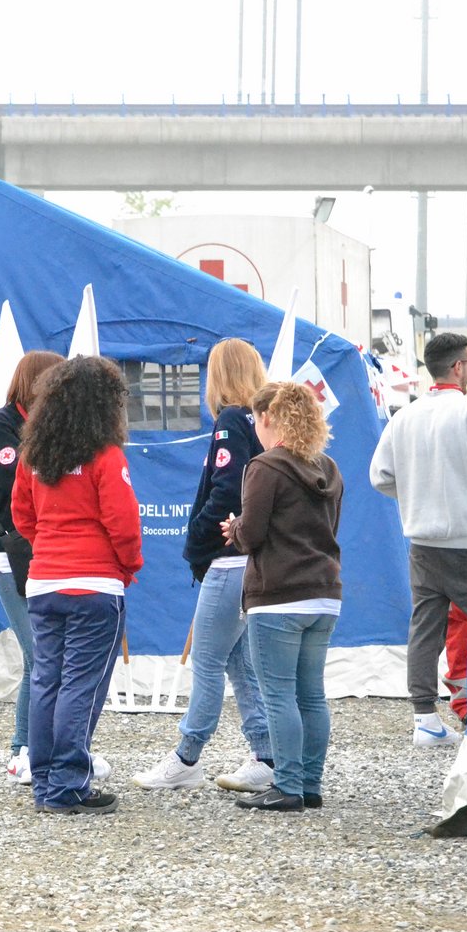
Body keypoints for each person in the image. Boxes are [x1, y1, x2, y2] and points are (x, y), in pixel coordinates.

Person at [135, 338, 274, 794]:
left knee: (209, 660)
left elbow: (227, 487)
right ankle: (266, 753)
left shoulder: (232, 420)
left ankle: (187, 756)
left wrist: (197, 536)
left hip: (228, 561)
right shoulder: (261, 422)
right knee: (239, 662)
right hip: (252, 560)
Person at [11, 356, 143, 816]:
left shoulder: (34, 456)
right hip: (94, 583)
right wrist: (127, 567)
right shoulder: (107, 458)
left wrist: (50, 546)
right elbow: (123, 525)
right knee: (81, 687)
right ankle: (69, 785)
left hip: (44, 580)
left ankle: (45, 782)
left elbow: (22, 517)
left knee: (47, 680)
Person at [368, 331, 467, 746]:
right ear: (459, 368)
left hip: (423, 542)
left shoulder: (404, 417)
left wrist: (413, 494)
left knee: (425, 629)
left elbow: (380, 477)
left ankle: (425, 718)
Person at [221, 381, 343, 812]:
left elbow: (252, 535)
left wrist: (234, 528)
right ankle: (310, 785)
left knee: (278, 694)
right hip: (324, 594)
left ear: (268, 418)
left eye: (256, 419)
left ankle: (288, 784)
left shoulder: (264, 466)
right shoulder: (328, 468)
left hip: (277, 597)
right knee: (311, 694)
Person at [0, 349, 63, 787]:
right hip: (12, 554)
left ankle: (46, 747)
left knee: (52, 655)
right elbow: (18, 483)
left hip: (51, 552)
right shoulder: (0, 424)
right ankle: (23, 749)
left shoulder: (54, 428)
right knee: (38, 655)